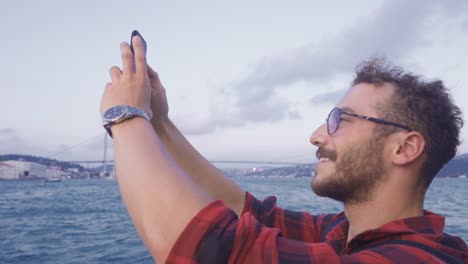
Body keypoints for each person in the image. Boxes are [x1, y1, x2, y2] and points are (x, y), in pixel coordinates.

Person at [100, 34, 468, 263]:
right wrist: (160, 122)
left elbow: (209, 251)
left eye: (342, 120)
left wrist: (126, 116)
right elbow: (244, 210)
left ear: (405, 148)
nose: (316, 136)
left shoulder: (423, 258)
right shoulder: (343, 231)